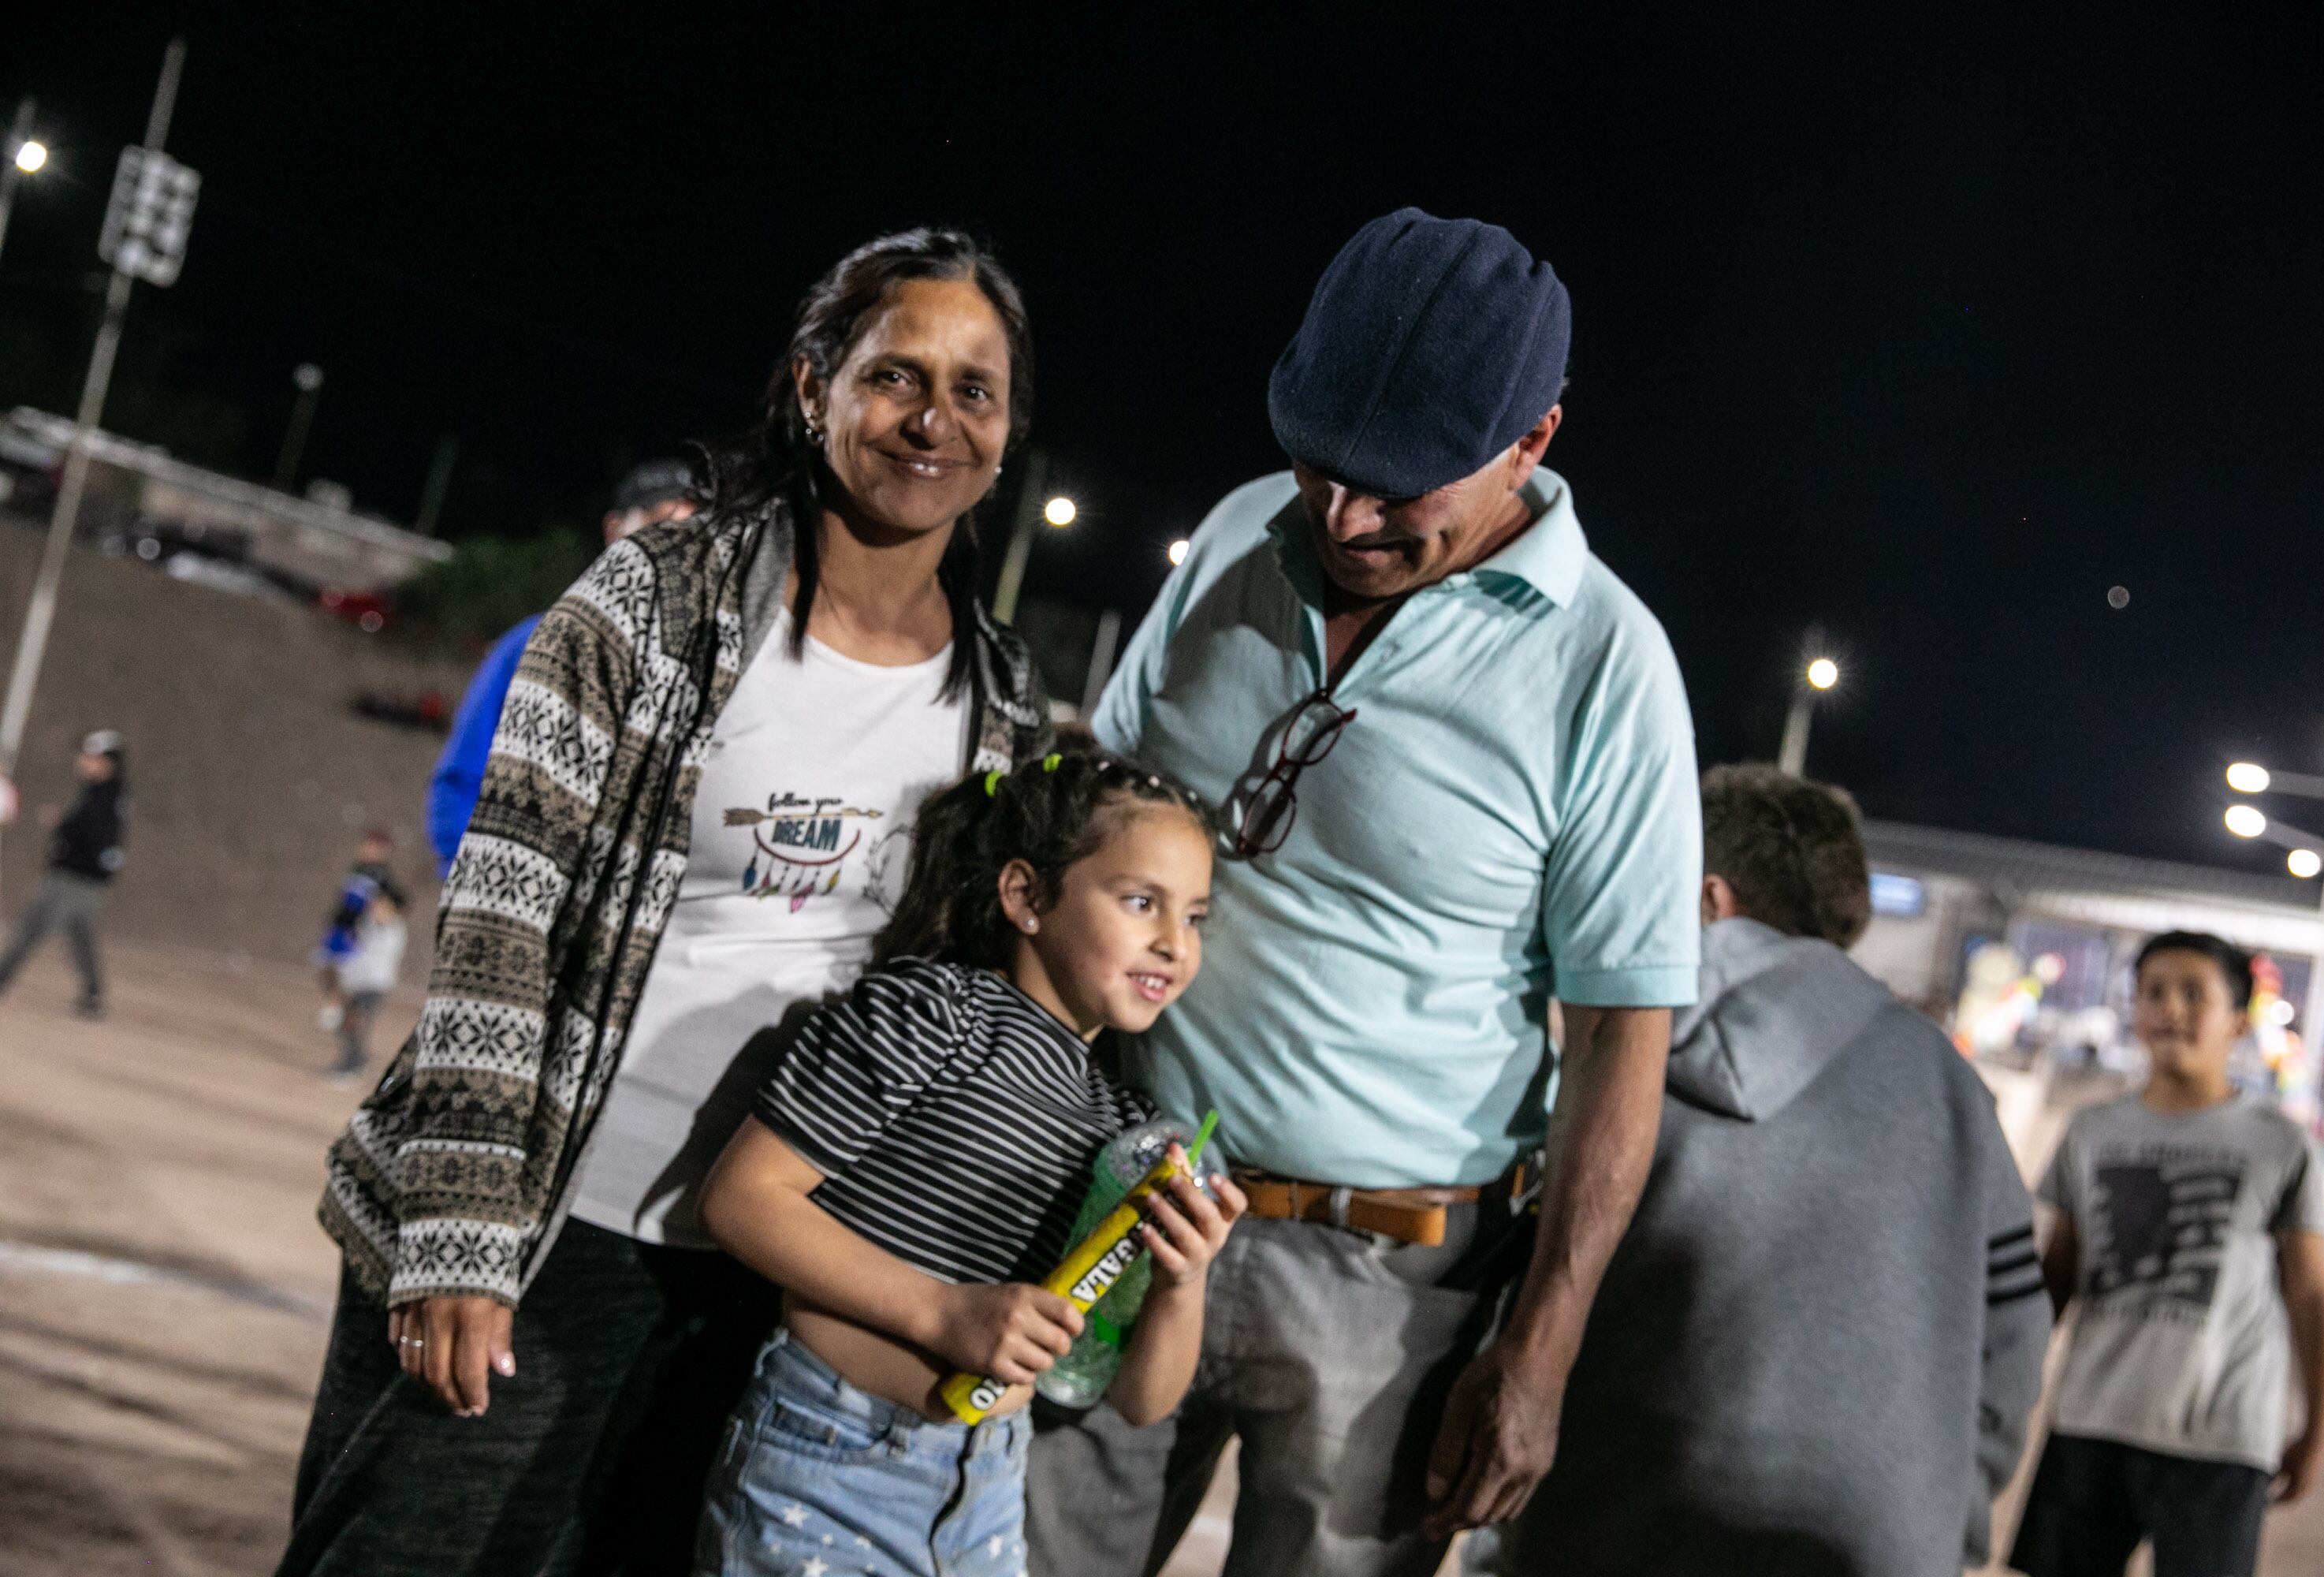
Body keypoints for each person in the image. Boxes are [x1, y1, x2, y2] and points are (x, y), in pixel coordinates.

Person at [280, 226, 1055, 1577]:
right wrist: (464, 1240)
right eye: (894, 377)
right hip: (537, 1227)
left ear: (1007, 430)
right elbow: (499, 921)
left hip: (757, 1278)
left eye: (973, 390)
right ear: (814, 387)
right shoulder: (650, 606)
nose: (932, 420)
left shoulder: (1001, 701)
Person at [1026, 208, 1703, 1577]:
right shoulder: (1234, 531)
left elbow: (1625, 1033)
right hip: (1130, 1206)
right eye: (1323, 462)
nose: (1343, 517)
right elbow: (1100, 804)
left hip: (1393, 1291)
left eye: (1402, 486)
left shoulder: (1609, 668)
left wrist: (1539, 1352)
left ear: (1534, 443)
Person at [1470, 764, 2050, 1576]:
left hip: (1606, 1525)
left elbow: (1519, 1296)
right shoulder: (1951, 1084)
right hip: (1868, 1544)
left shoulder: (1611, 1061)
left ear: (1709, 899)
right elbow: (2016, 1337)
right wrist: (1940, 1514)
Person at [696, 748, 1249, 1576]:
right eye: (1142, 903)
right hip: (827, 1465)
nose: (1175, 943)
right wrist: (941, 1312)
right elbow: (741, 1198)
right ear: (1027, 895)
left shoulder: (1126, 1126)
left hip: (986, 1490)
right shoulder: (931, 1013)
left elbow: (1140, 1398)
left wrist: (1183, 1279)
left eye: (1195, 916)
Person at [2008, 930, 2324, 1577]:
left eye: (2196, 994)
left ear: (2238, 1023)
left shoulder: (2277, 1143)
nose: (2172, 1009)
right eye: (2154, 992)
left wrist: (2318, 1430)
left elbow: (2309, 1295)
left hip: (2220, 1438)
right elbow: (2057, 1276)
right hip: (2091, 1418)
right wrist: (2001, 1385)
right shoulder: (2091, 1130)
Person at [424, 457, 698, 877]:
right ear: (614, 530)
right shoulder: (538, 641)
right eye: (660, 524)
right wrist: (480, 888)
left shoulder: (703, 669)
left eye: (692, 534)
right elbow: (462, 779)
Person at [0, 729, 127, 1018]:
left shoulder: (107, 797)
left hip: (75, 879)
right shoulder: (99, 793)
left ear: (106, 762)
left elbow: (97, 836)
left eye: (90, 756)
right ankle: (93, 995)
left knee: (32, 925)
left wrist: (64, 825)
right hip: (80, 878)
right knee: (80, 933)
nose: (83, 760)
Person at [313, 829, 404, 1026]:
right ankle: (338, 1006)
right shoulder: (357, 869)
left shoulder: (382, 875)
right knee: (327, 967)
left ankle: (345, 1012)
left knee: (347, 973)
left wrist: (382, 911)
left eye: (375, 847)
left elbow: (399, 901)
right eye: (367, 845)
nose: (369, 850)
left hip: (357, 931)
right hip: (342, 927)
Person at [327, 888, 408, 1084]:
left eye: (382, 904)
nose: (376, 907)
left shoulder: (393, 930)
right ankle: (357, 1061)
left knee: (355, 1023)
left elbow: (379, 955)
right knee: (345, 1024)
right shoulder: (365, 923)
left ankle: (353, 1067)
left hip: (374, 985)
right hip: (355, 982)